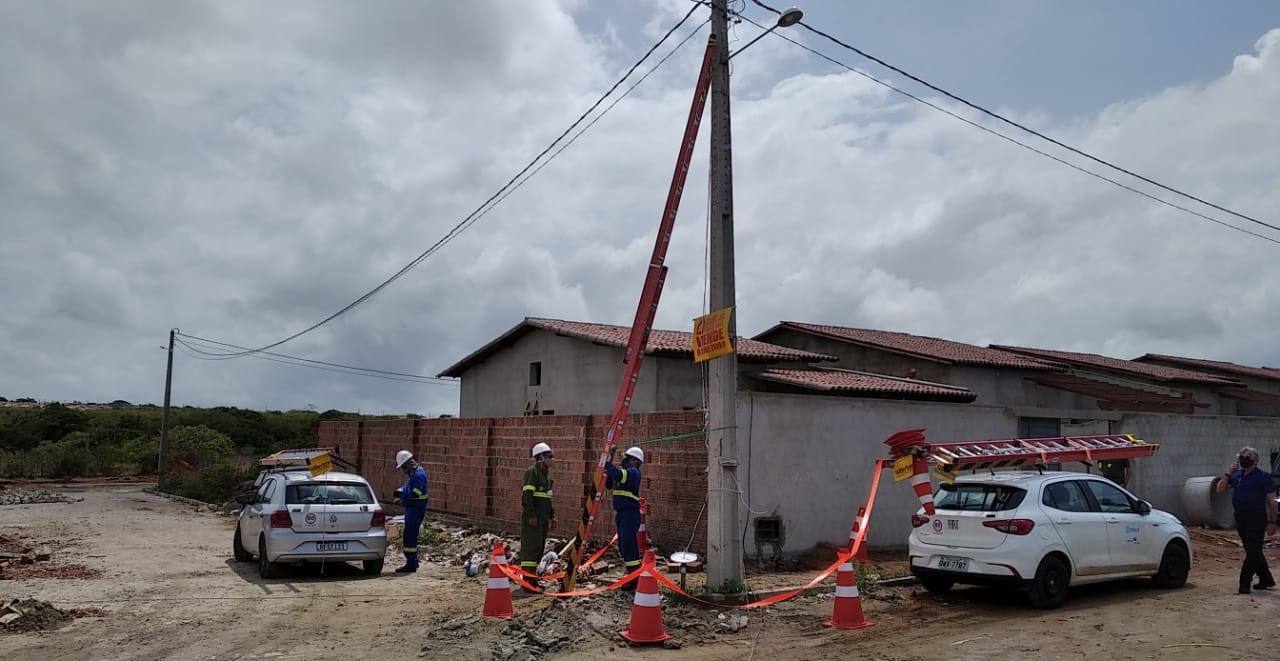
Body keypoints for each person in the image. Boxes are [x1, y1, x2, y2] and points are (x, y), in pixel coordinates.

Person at [1214, 446, 1278, 593]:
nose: (1243, 460)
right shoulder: (1237, 475)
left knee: (1253, 551)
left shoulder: (1263, 476)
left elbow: (1272, 501)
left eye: (1247, 457)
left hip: (1256, 517)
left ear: (1255, 460)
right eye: (1241, 457)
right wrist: (1228, 473)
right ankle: (1266, 578)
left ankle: (1244, 583)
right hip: (1241, 518)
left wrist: (1272, 522)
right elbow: (1219, 489)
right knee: (1252, 550)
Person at [604, 445, 645, 591]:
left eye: (628, 458)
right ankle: (632, 575)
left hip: (629, 514)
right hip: (622, 514)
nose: (625, 460)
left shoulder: (633, 473)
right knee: (623, 546)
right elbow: (610, 482)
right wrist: (607, 467)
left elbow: (618, 475)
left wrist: (607, 461)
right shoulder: (626, 473)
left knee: (629, 547)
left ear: (635, 461)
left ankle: (635, 579)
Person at [520, 442, 556, 591]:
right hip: (533, 519)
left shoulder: (546, 477)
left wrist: (552, 516)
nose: (551, 459)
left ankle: (533, 580)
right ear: (540, 457)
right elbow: (527, 497)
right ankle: (528, 582)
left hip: (542, 519)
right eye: (549, 456)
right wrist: (531, 515)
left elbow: (548, 500)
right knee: (531, 549)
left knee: (539, 549)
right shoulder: (532, 473)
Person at [393, 450, 428, 574]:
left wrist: (402, 496)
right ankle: (413, 561)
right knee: (409, 536)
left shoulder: (418, 475)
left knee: (410, 537)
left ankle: (411, 563)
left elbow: (416, 492)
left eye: (403, 467)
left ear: (408, 464)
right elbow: (409, 487)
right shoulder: (415, 474)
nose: (403, 470)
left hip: (415, 509)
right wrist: (401, 490)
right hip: (412, 508)